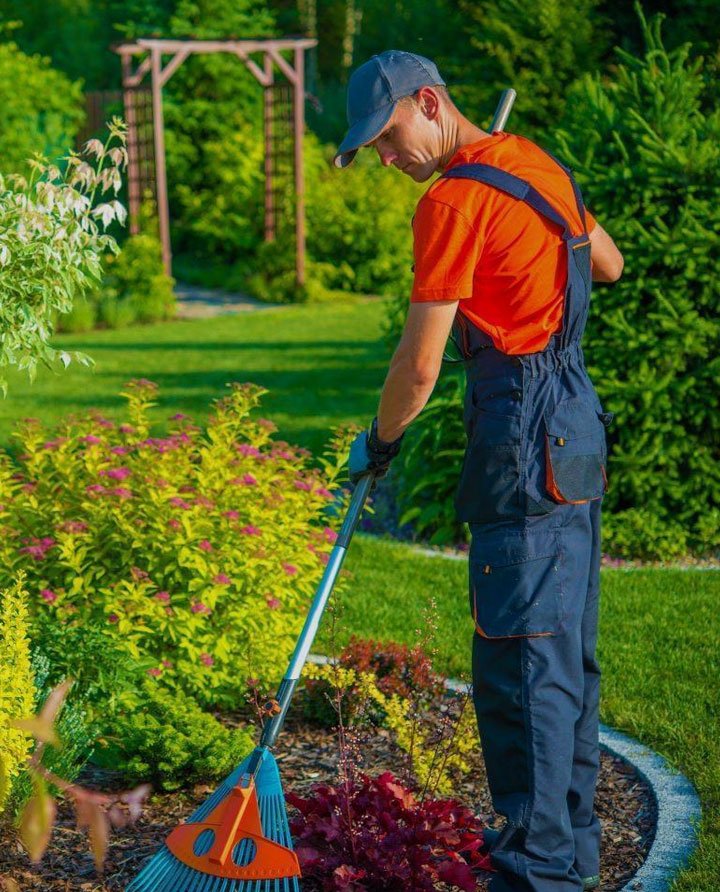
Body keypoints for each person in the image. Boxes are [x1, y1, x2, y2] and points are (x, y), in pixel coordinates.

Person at [341, 50, 624, 892]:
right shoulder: (532, 163)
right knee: (564, 650)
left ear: (430, 102)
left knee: (522, 663)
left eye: (390, 138)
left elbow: (420, 368)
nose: (388, 162)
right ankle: (569, 852)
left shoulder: (454, 201)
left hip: (520, 428)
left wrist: (381, 442)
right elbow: (606, 264)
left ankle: (537, 874)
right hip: (574, 419)